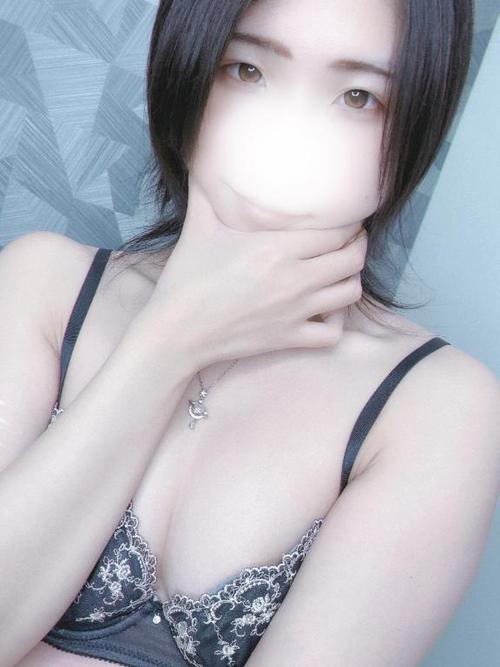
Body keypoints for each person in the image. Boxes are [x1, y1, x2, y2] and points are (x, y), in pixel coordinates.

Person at [2, 0, 499, 666]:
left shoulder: (437, 406)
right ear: (188, 69)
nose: (288, 136)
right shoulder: (43, 286)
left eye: (358, 96)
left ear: (413, 125)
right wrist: (172, 340)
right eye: (247, 70)